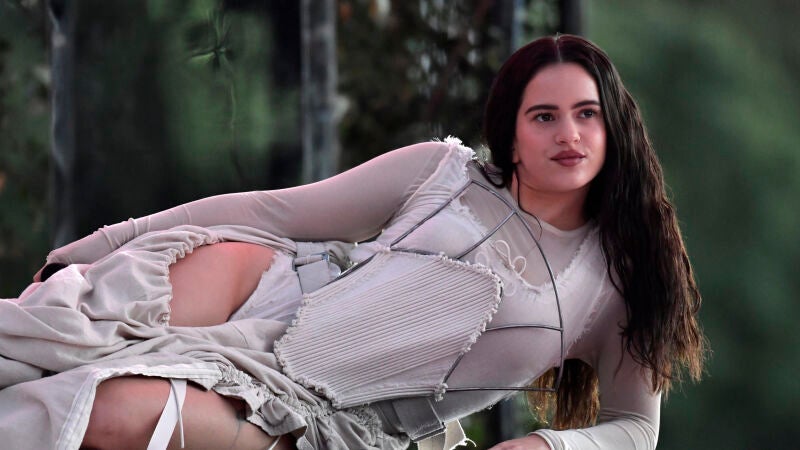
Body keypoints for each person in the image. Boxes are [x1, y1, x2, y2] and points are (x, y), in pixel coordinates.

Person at [0, 34, 705, 450]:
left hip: (330, 421)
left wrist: (549, 446)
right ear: (512, 132)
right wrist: (104, 241)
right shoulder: (444, 171)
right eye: (544, 116)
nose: (568, 134)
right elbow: (276, 210)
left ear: (613, 128)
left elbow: (634, 430)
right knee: (51, 332)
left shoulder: (614, 285)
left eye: (586, 114)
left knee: (109, 413)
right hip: (270, 285)